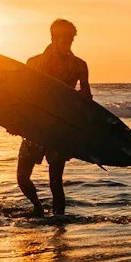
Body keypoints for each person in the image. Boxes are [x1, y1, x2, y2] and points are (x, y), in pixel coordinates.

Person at [17, 18, 90, 215]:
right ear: (53, 38)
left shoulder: (79, 65)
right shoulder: (33, 63)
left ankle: (59, 224)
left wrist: (82, 130)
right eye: (64, 39)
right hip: (34, 128)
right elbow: (23, 97)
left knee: (55, 183)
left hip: (60, 129)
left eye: (71, 39)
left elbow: (86, 100)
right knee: (22, 179)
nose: (68, 43)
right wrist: (14, 122)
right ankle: (39, 210)